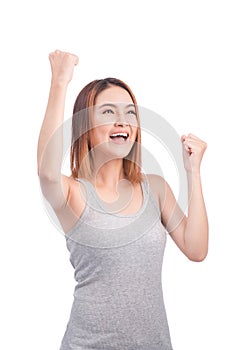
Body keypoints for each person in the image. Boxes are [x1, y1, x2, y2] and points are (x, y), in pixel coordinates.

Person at [37, 50, 208, 350]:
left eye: (129, 112)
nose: (122, 121)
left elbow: (196, 249)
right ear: (85, 128)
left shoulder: (155, 189)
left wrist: (192, 171)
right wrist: (59, 81)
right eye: (107, 112)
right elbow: (47, 172)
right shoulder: (73, 195)